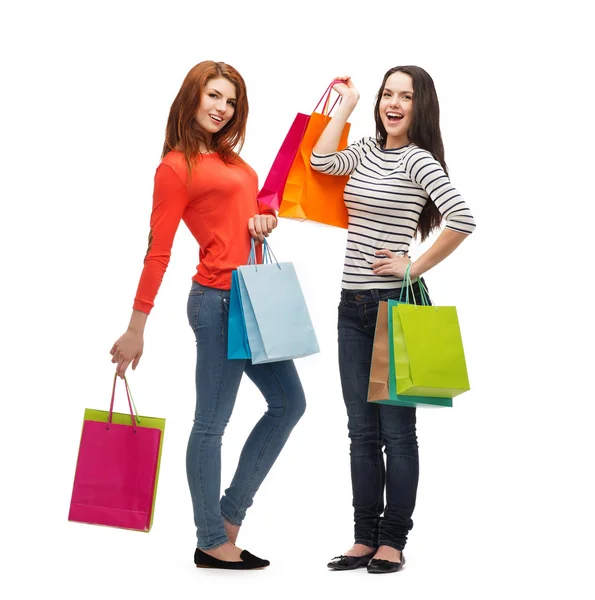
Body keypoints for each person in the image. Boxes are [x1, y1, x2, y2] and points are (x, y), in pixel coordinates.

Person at [109, 60, 306, 570]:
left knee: (290, 403)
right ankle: (210, 539)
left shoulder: (233, 161)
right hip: (217, 302)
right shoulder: (175, 167)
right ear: (193, 97)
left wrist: (263, 220)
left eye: (231, 101)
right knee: (211, 424)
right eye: (214, 96)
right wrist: (136, 327)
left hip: (252, 297)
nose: (222, 108)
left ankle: (226, 518)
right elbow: (158, 250)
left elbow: (245, 217)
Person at [311, 66, 476, 574]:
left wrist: (413, 264)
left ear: (419, 105)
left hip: (393, 308)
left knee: (398, 433)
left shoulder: (421, 161)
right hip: (350, 305)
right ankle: (363, 538)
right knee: (360, 432)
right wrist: (348, 102)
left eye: (405, 96)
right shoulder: (361, 149)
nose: (394, 103)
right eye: (388, 94)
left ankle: (392, 542)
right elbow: (319, 159)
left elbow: (463, 219)